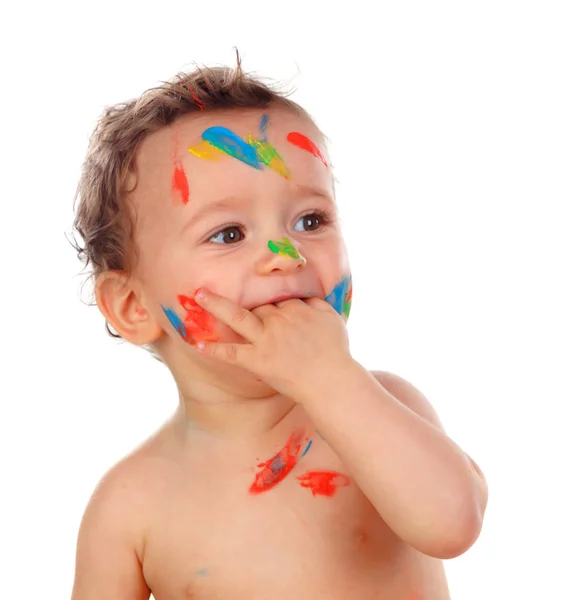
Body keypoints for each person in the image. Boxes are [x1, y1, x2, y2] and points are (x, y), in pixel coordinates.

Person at [70, 54, 488, 600]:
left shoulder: (383, 408)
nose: (284, 255)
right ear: (132, 306)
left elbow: (453, 525)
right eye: (228, 233)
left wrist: (330, 380)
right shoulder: (131, 504)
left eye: (310, 221)